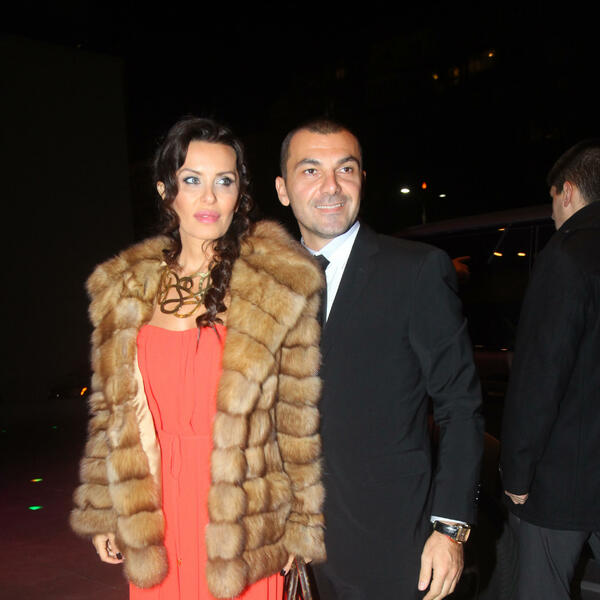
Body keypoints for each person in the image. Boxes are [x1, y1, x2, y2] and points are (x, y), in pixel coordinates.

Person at [70, 117, 326, 599]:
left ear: (239, 193)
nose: (209, 198)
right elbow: (112, 412)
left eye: (224, 182)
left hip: (244, 518)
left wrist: (302, 522)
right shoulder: (125, 290)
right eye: (192, 180)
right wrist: (106, 509)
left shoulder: (277, 285)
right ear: (166, 190)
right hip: (156, 513)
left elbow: (296, 418)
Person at [275, 118, 483, 600]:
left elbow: (460, 406)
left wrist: (450, 529)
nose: (331, 186)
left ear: (362, 180)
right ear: (283, 189)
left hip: (393, 544)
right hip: (296, 547)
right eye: (311, 170)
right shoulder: (268, 282)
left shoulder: (416, 270)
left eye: (345, 169)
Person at [500, 139, 600, 599]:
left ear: (568, 191)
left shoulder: (567, 254)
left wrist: (518, 471)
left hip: (563, 481)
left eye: (552, 199)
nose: (552, 213)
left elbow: (540, 375)